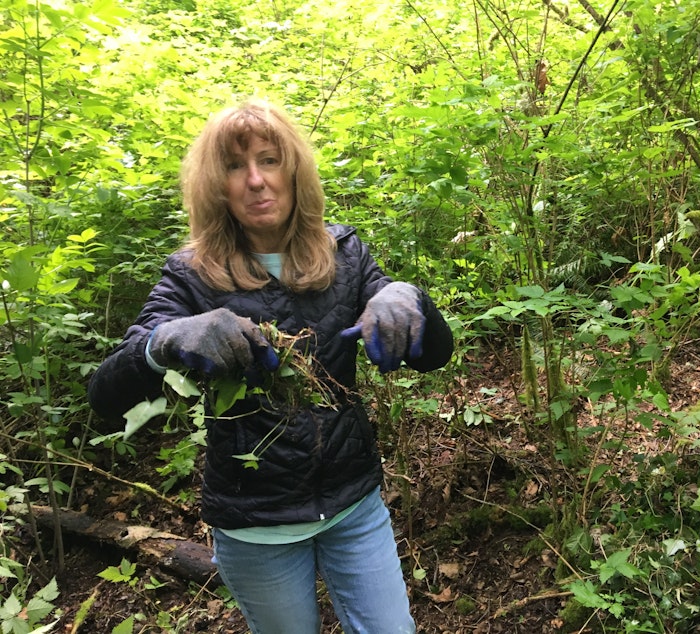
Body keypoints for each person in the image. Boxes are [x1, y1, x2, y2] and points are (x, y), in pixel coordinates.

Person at [87, 98, 453, 633]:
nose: (256, 180)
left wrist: (408, 298)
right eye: (236, 166)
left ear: (295, 171)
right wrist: (164, 340)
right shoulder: (190, 277)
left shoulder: (343, 252)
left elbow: (433, 356)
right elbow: (105, 395)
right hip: (255, 522)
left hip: (354, 505)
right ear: (217, 185)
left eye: (270, 160)